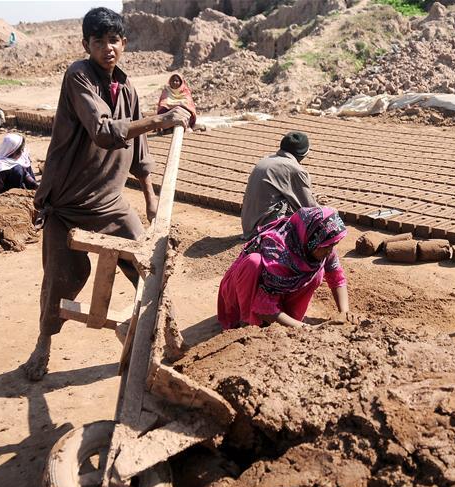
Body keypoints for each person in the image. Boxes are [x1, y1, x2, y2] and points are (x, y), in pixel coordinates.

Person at [22, 7, 191, 381]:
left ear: (124, 44)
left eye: (113, 40)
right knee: (57, 282)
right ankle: (43, 347)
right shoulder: (78, 77)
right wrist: (163, 119)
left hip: (111, 202)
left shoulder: (127, 88)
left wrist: (148, 193)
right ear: (87, 45)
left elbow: (139, 147)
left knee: (149, 266)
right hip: (68, 202)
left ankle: (170, 333)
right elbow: (103, 130)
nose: (107, 48)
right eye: (98, 42)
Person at [218, 206, 350, 329]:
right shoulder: (278, 252)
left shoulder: (320, 246)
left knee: (317, 273)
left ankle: (289, 318)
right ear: (310, 239)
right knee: (254, 262)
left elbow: (336, 277)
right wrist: (308, 329)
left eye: (332, 245)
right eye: (326, 247)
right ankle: (246, 320)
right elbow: (264, 307)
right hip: (242, 294)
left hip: (273, 300)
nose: (329, 251)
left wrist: (344, 312)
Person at [240, 131, 319, 240]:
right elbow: (310, 208)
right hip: (267, 231)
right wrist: (329, 210)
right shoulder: (294, 169)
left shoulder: (265, 160)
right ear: (305, 153)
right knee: (327, 217)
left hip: (248, 227)